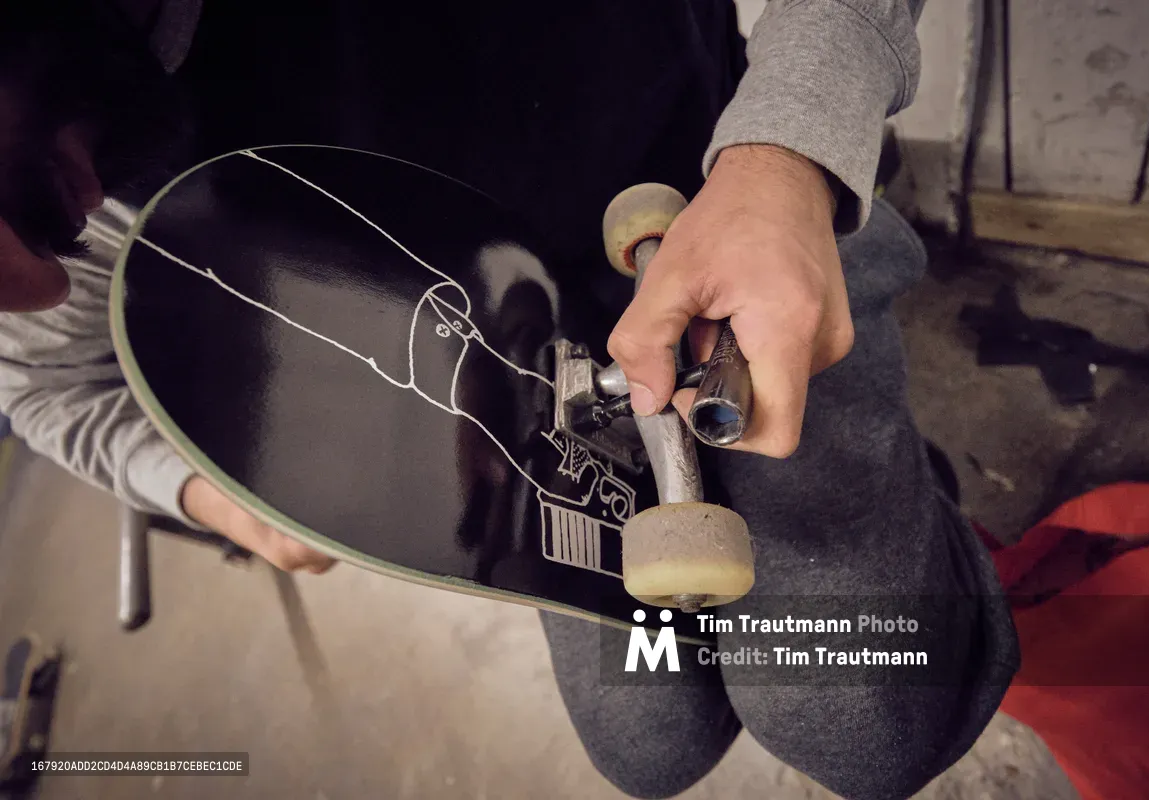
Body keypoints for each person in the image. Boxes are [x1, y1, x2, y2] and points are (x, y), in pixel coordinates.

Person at [0, 2, 1018, 797]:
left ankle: (895, 443)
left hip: (701, 195)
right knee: (647, 748)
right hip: (523, 369)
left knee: (861, 713)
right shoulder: (53, 205)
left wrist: (791, 151)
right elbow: (45, 382)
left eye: (30, 195)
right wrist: (193, 486)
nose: (53, 276)